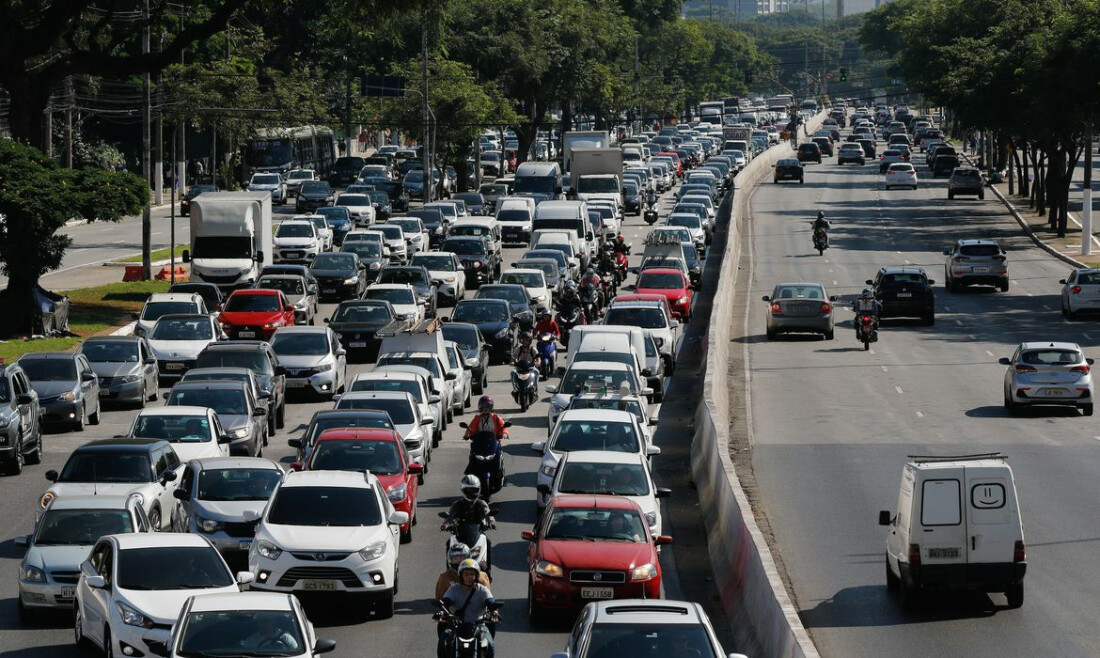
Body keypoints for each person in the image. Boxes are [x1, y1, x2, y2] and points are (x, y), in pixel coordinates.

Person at [438, 559, 496, 658]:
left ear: (476, 576)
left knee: (489, 644)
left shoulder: (482, 590)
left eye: (472, 574)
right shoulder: (453, 589)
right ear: (461, 576)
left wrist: (494, 612)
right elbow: (446, 601)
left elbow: (490, 602)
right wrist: (442, 611)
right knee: (443, 641)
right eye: (466, 574)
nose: (469, 577)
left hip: (479, 625)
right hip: (456, 625)